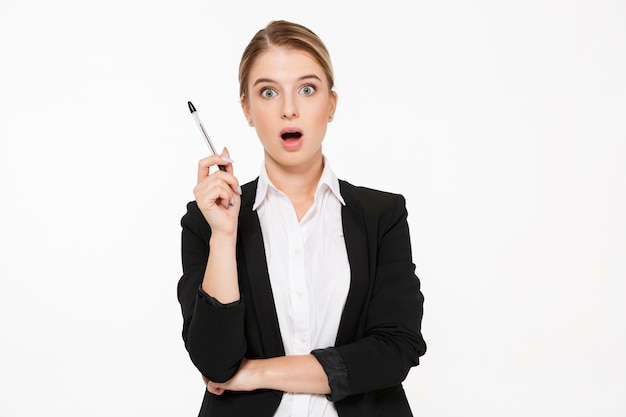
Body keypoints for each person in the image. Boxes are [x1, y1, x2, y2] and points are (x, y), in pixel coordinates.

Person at [177, 20, 426, 417]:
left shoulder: (383, 216)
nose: (289, 109)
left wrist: (254, 374)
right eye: (269, 92)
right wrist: (223, 235)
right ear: (247, 109)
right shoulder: (205, 221)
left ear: (331, 104)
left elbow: (396, 350)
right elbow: (214, 362)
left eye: (307, 89)